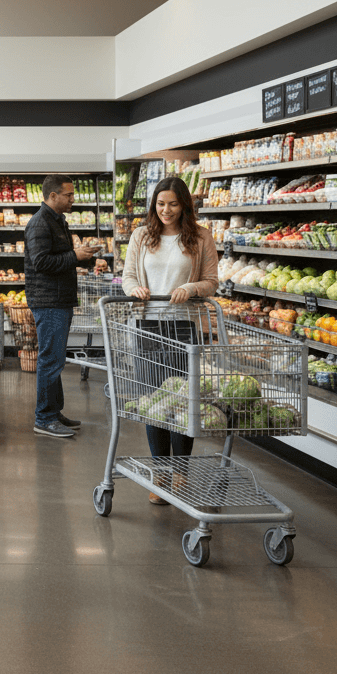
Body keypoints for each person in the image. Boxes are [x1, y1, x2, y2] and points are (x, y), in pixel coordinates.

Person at [121, 176, 218, 504]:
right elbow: (129, 275)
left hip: (183, 327)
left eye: (173, 204)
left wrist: (190, 289)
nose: (166, 210)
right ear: (153, 204)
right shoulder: (141, 235)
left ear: (184, 205)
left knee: (181, 402)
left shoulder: (201, 237)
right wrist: (133, 289)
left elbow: (211, 281)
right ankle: (160, 473)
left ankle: (181, 472)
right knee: (153, 402)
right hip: (148, 325)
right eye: (161, 204)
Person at [24, 174, 97, 438]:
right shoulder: (40, 223)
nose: (73, 199)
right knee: (50, 360)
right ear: (52, 196)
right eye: (68, 195)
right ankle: (44, 418)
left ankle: (54, 412)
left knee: (55, 359)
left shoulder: (58, 221)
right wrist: (74, 255)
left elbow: (61, 258)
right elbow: (42, 262)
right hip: (48, 300)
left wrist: (84, 259)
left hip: (59, 299)